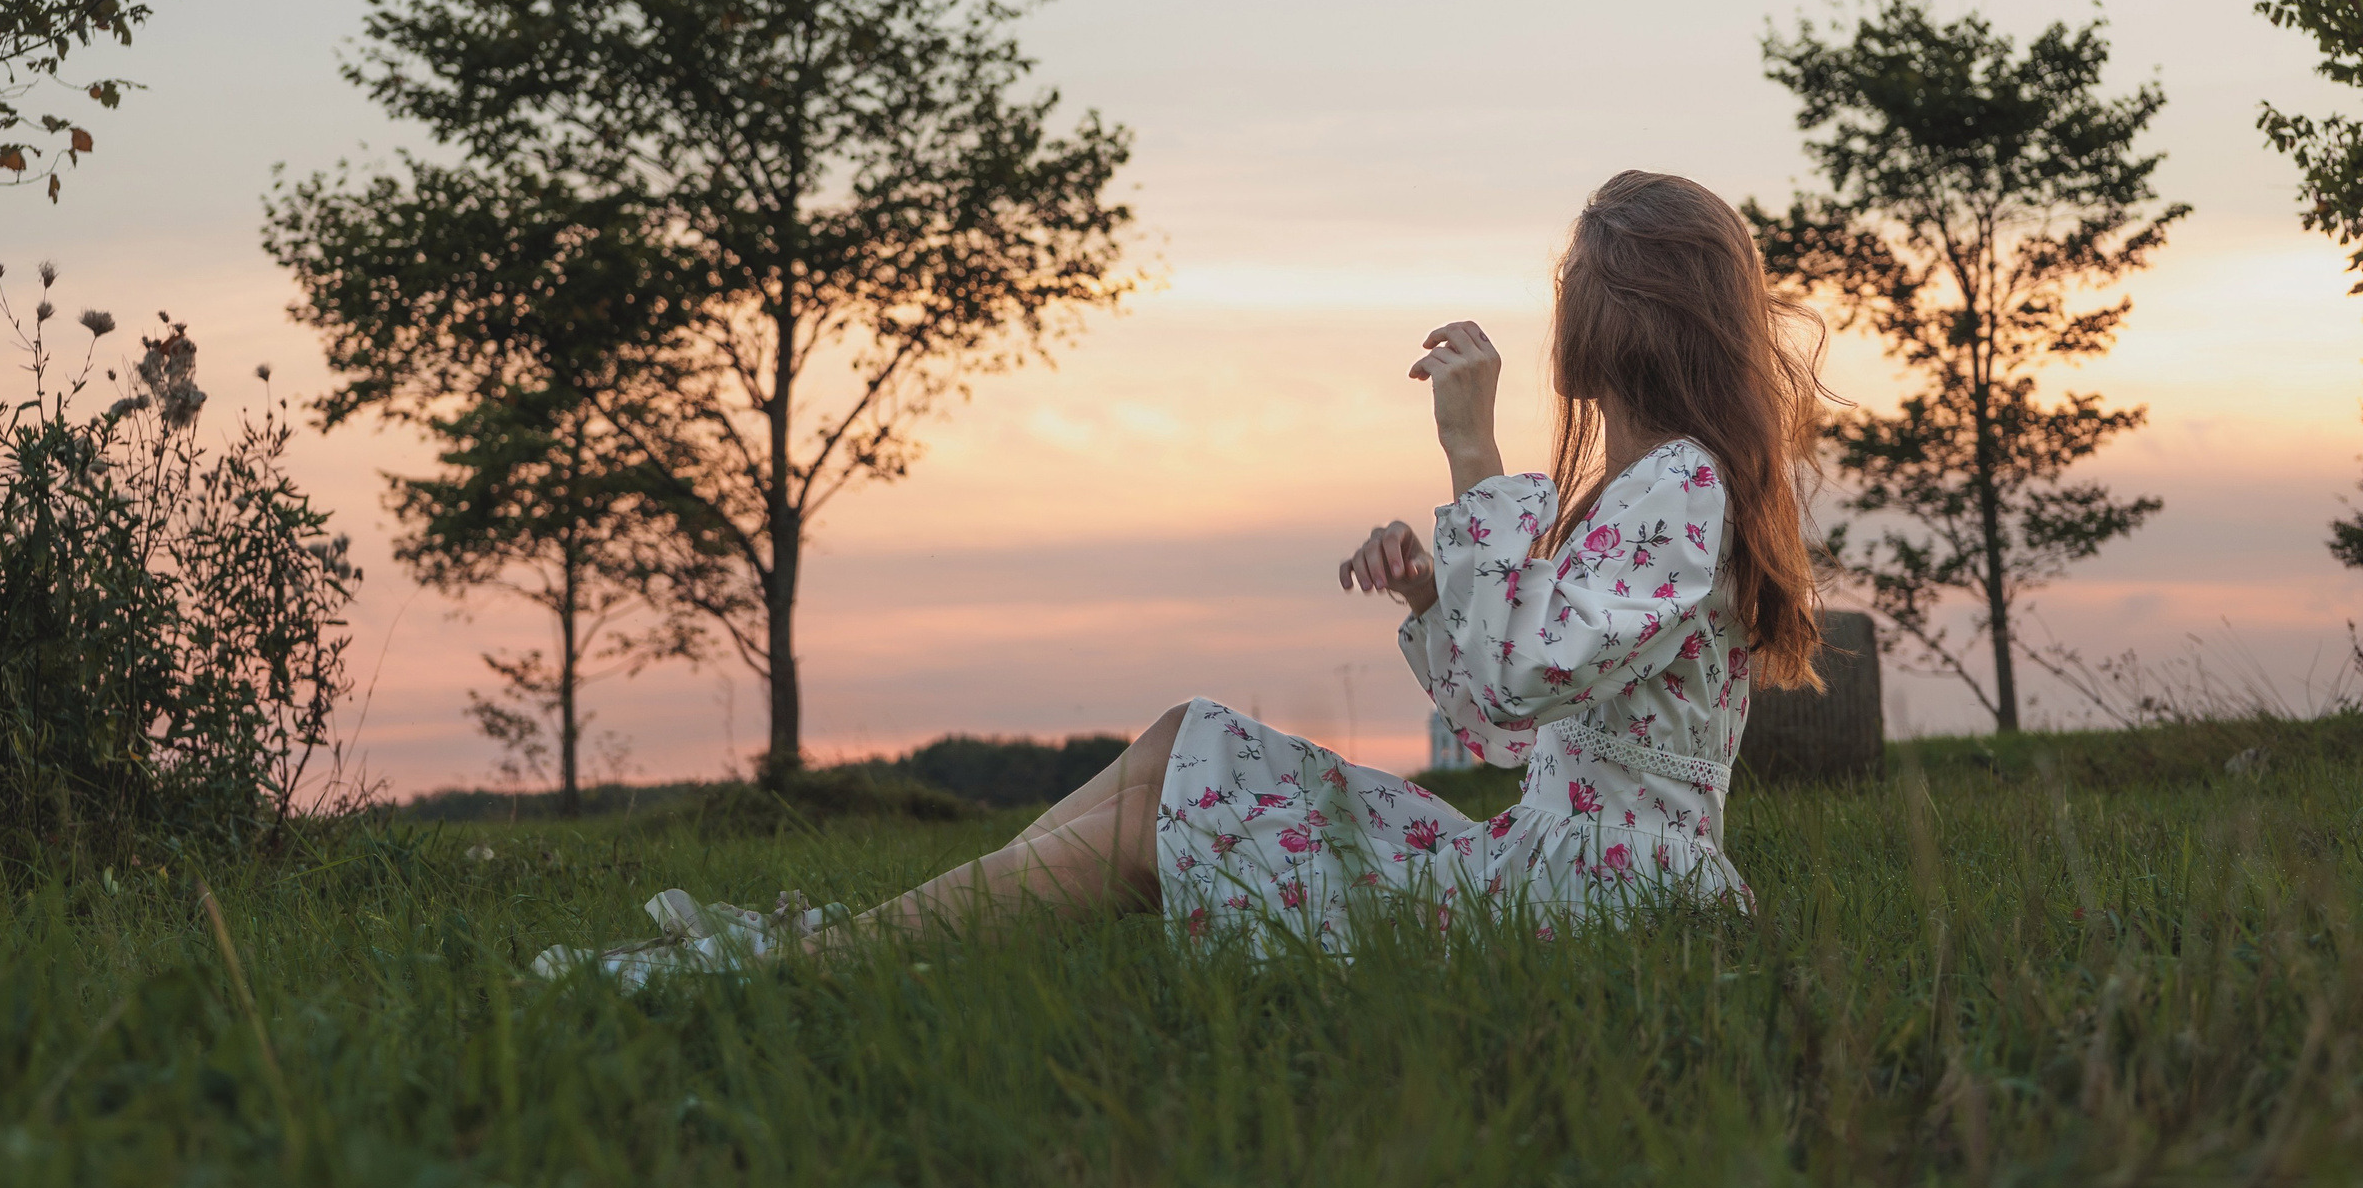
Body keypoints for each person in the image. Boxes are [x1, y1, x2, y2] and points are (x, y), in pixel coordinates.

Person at [551, 170, 1828, 980]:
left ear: (1615, 320)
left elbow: (1527, 670)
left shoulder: (1684, 490)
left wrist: (1472, 458)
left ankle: (807, 970)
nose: (1559, 313)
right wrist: (1437, 594)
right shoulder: (1644, 495)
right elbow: (1505, 717)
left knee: (1159, 827)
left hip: (1589, 909)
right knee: (1186, 741)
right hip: (1550, 865)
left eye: (1574, 289)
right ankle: (834, 949)